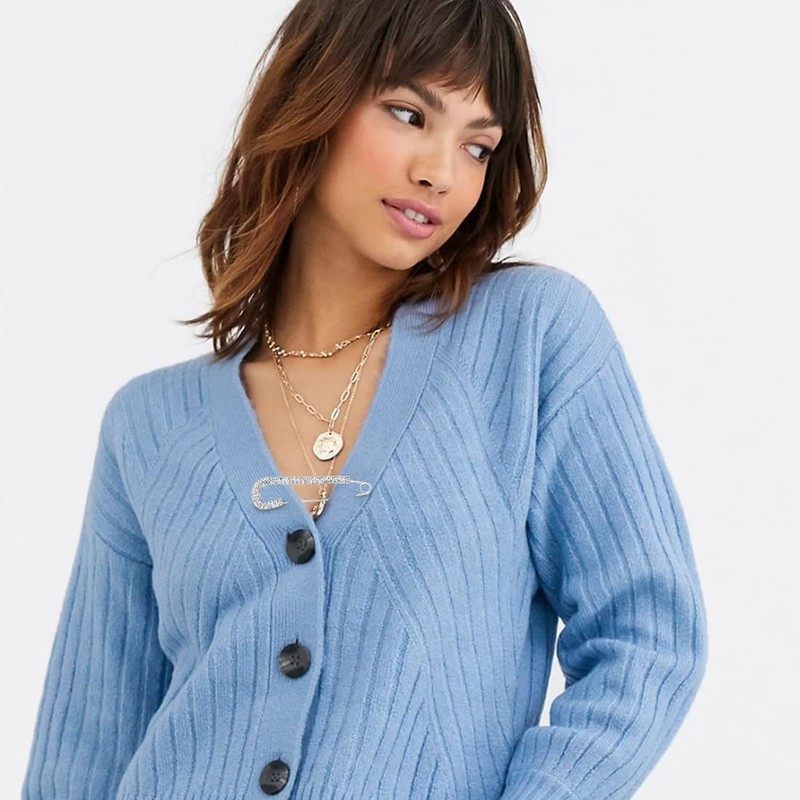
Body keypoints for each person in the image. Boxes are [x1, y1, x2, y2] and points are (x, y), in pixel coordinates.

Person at [21, 0, 708, 798]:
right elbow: (83, 752)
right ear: (313, 95)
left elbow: (646, 637)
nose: (441, 172)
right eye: (409, 114)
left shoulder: (528, 339)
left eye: (478, 146)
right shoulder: (147, 426)